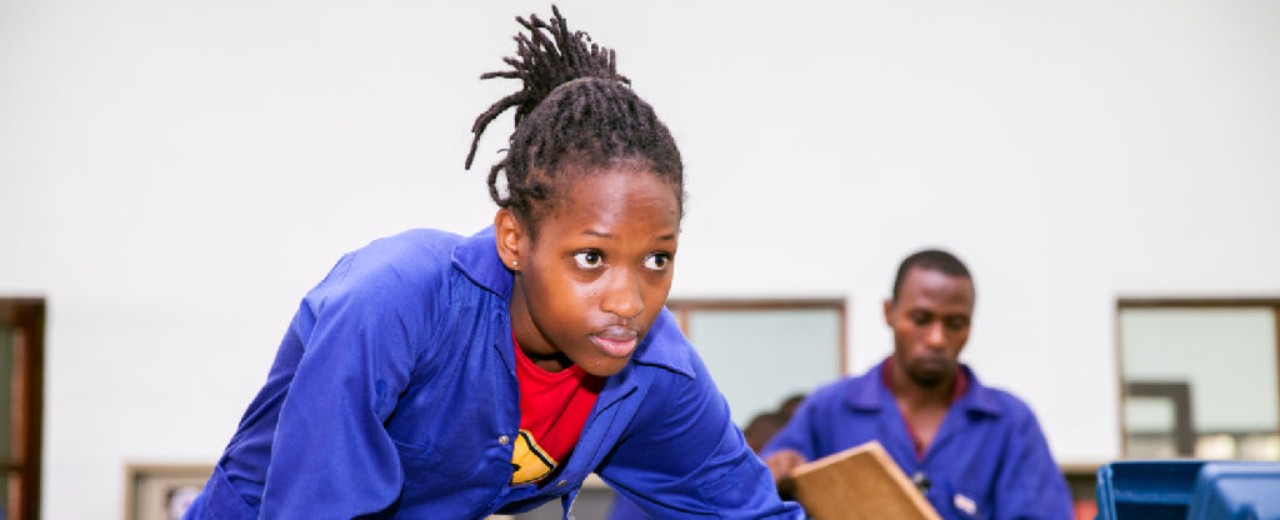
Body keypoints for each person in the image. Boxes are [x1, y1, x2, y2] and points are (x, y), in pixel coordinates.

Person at [182, 7, 799, 519]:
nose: (629, 300)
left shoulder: (657, 373)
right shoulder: (395, 301)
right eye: (591, 258)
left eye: (657, 259)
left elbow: (749, 512)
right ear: (514, 238)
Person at [760, 250, 1074, 519]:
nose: (937, 339)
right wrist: (779, 467)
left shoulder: (1010, 423)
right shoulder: (828, 409)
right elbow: (764, 495)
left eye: (955, 323)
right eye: (922, 319)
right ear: (890, 312)